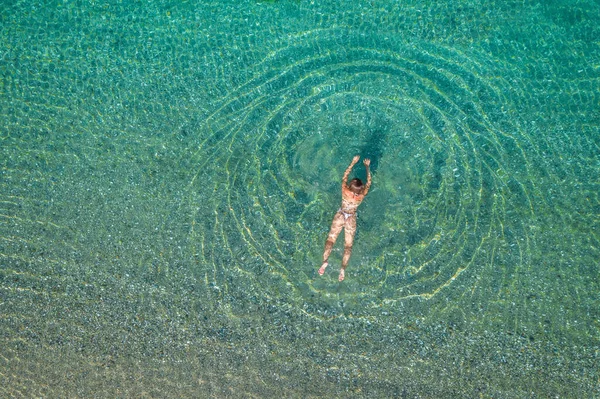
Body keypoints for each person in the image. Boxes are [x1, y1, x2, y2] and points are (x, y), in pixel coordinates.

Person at [318, 155, 372, 281]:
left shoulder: (345, 190)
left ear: (350, 186)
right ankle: (342, 268)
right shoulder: (362, 195)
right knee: (348, 246)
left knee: (331, 240)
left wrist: (352, 163)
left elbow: (344, 176)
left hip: (341, 215)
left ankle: (325, 260)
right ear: (360, 189)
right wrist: (367, 168)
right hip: (351, 218)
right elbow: (369, 182)